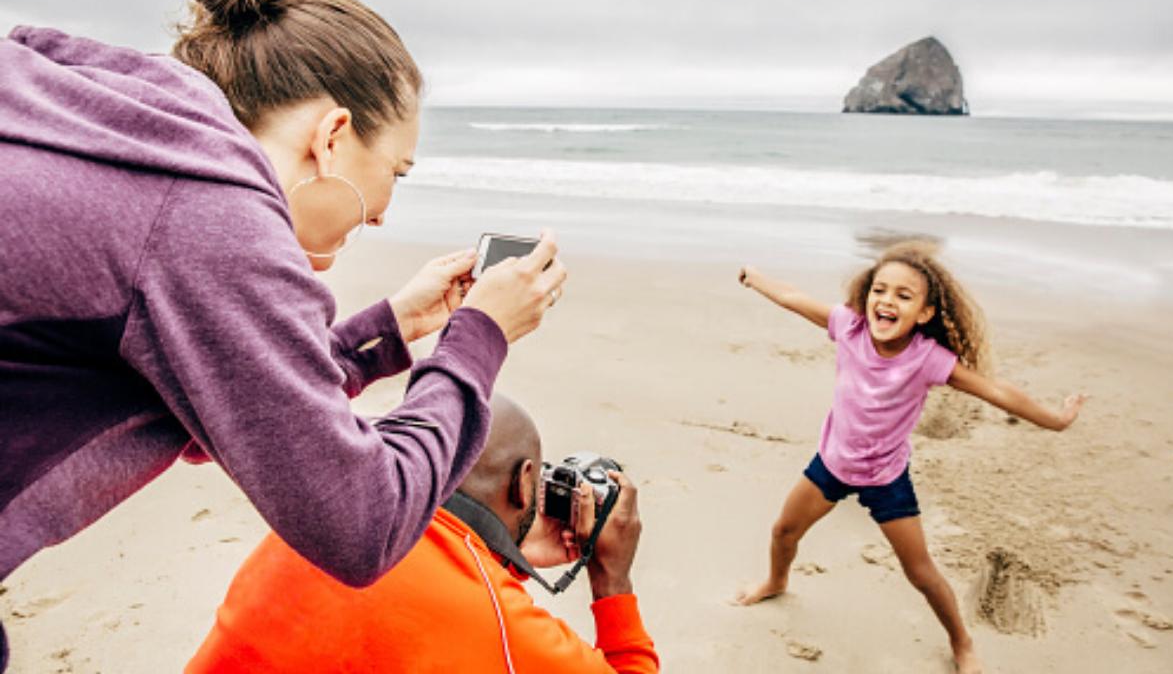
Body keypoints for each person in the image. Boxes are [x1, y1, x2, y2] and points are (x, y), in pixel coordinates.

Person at [0, 0, 567, 670]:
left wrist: (388, 331)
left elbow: (229, 412)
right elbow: (362, 523)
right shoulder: (206, 216)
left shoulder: (114, 129)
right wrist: (479, 338)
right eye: (395, 171)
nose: (389, 208)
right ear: (333, 136)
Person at [732, 241, 1086, 674]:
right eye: (880, 290)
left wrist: (1056, 419)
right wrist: (755, 277)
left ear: (924, 313)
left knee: (920, 573)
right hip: (832, 464)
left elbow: (995, 390)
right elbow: (793, 298)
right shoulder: (848, 326)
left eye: (903, 295)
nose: (887, 301)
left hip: (886, 479)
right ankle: (776, 581)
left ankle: (961, 641)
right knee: (783, 532)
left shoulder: (928, 359)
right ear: (867, 296)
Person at [186, 394, 658, 673]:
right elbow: (468, 619)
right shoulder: (489, 614)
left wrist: (503, 554)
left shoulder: (315, 527)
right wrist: (611, 579)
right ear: (523, 482)